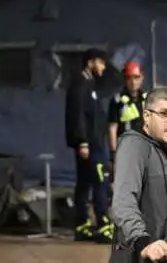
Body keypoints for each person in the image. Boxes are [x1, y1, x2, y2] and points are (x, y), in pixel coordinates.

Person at [109, 86, 167, 263]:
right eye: (165, 113)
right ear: (147, 116)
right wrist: (143, 242)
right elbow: (123, 201)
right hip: (142, 258)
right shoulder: (134, 145)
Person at [65, 48, 114, 243]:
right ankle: (103, 227)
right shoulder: (81, 84)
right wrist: (82, 141)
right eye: (101, 63)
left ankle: (82, 225)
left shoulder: (90, 84)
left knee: (84, 184)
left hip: (93, 143)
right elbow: (77, 115)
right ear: (91, 62)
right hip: (90, 145)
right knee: (100, 183)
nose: (103, 67)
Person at [108, 61, 148, 165]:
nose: (133, 82)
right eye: (129, 78)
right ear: (125, 79)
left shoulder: (147, 99)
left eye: (136, 77)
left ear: (142, 77)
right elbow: (112, 128)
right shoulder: (117, 101)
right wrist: (113, 153)